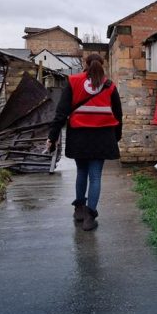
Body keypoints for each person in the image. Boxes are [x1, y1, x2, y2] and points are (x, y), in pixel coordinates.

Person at [46, 53, 122, 231]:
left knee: (81, 171)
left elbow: (61, 113)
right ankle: (90, 217)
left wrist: (53, 136)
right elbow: (118, 114)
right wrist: (116, 136)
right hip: (103, 136)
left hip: (79, 136)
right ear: (102, 65)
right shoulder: (110, 86)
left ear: (85, 64)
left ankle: (79, 209)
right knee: (95, 176)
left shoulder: (73, 81)